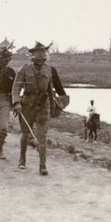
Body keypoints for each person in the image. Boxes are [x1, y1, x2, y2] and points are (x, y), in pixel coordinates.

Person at [11, 41, 68, 176]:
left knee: (42, 135)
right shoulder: (24, 69)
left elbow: (51, 88)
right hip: (27, 105)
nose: (41, 55)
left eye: (44, 52)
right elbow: (16, 88)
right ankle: (22, 159)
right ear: (33, 54)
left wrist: (56, 105)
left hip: (43, 105)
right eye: (39, 52)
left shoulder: (50, 70)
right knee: (25, 134)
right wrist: (17, 103)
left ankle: (42, 165)